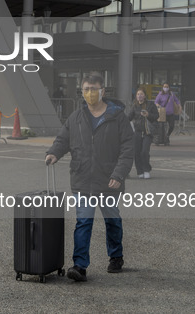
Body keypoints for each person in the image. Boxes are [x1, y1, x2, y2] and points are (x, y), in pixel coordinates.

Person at [45, 73, 133, 282]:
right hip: (83, 180)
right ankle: (80, 265)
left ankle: (116, 256)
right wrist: (54, 152)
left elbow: (128, 149)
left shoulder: (117, 117)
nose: (90, 93)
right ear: (82, 92)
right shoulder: (76, 118)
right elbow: (63, 139)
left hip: (108, 180)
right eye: (86, 89)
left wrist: (119, 174)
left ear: (103, 90)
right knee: (83, 222)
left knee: (112, 220)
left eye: (94, 89)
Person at [127, 88, 159, 179]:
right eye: (138, 94)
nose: (139, 96)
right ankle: (139, 171)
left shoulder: (150, 105)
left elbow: (156, 116)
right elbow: (129, 117)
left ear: (144, 95)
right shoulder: (134, 106)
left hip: (147, 132)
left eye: (141, 94)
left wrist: (148, 115)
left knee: (144, 151)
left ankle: (146, 170)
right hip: (137, 132)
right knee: (137, 152)